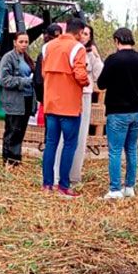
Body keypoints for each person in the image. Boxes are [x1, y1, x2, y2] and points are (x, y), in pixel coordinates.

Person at [96, 27, 138, 199]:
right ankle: (130, 187)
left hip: (117, 111)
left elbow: (101, 84)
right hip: (137, 111)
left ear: (116, 41)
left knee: (115, 150)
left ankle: (115, 189)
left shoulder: (113, 60)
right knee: (131, 149)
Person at [39, 19, 90, 197]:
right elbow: (80, 74)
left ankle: (47, 184)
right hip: (69, 106)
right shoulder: (78, 48)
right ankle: (63, 185)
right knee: (69, 145)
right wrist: (86, 81)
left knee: (51, 144)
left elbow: (43, 72)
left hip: (51, 104)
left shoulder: (47, 47)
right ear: (79, 32)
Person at [53, 23, 104, 187]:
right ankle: (56, 174)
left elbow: (100, 75)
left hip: (85, 96)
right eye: (83, 33)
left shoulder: (89, 55)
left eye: (88, 34)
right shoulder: (68, 50)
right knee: (63, 136)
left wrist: (97, 56)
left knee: (80, 137)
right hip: (67, 95)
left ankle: (73, 175)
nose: (84, 36)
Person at [0, 32, 36, 166]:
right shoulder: (8, 58)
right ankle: (8, 160)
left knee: (20, 131)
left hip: (26, 99)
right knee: (12, 131)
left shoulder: (26, 57)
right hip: (14, 100)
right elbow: (4, 80)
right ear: (14, 42)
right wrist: (24, 81)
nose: (24, 44)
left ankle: (16, 160)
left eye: (26, 42)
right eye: (21, 42)